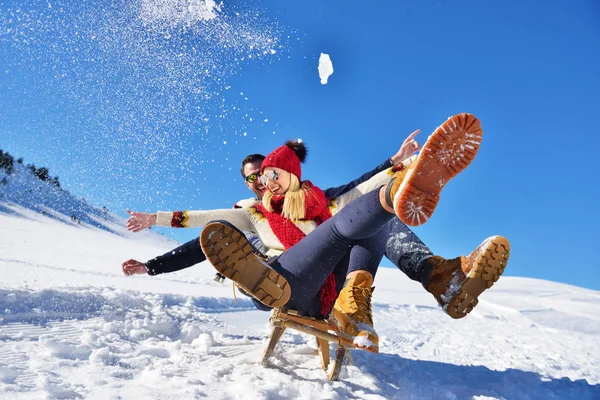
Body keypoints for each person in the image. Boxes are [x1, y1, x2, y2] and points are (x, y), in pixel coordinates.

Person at [125, 113, 511, 353]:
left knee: (372, 212)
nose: (260, 182)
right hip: (288, 279)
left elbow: (357, 190)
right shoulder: (252, 213)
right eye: (252, 179)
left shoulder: (317, 200)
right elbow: (202, 231)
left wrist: (399, 166)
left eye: (266, 173)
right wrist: (152, 248)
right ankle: (259, 277)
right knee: (363, 214)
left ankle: (439, 276)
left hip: (330, 286)